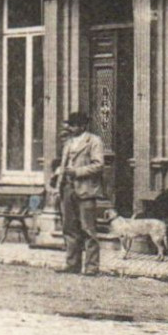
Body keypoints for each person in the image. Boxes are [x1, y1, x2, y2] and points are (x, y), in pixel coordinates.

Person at [51, 109, 106, 274]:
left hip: (86, 190)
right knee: (69, 228)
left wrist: (77, 171)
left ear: (83, 126)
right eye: (70, 125)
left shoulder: (94, 141)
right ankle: (72, 264)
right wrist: (58, 187)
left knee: (88, 229)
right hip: (67, 189)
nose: (71, 128)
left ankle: (91, 267)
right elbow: (63, 166)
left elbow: (99, 165)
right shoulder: (68, 143)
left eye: (74, 125)